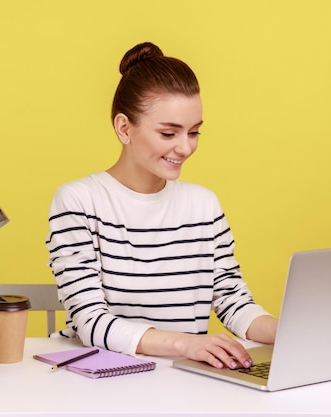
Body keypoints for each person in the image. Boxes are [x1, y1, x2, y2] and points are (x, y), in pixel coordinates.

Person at [46, 42, 277, 370]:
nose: (185, 148)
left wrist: (288, 331)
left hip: (182, 378)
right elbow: (90, 322)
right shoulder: (79, 201)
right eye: (169, 133)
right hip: (99, 380)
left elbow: (233, 302)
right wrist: (186, 342)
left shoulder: (204, 205)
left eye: (194, 132)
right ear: (124, 128)